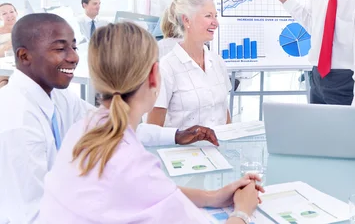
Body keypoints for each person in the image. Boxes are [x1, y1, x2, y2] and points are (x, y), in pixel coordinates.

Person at [0, 13, 218, 224]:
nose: (73, 57)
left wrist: (176, 135)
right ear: (24, 56)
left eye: (74, 47)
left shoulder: (58, 98)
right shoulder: (17, 123)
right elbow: (30, 218)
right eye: (60, 48)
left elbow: (114, 123)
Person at [38, 22, 262, 223]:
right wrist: (242, 212)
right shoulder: (131, 163)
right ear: (155, 75)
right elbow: (143, 183)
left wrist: (212, 196)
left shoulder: (85, 128)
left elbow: (151, 190)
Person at [148, 0, 232, 129]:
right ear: (187, 20)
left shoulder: (217, 62)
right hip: (183, 150)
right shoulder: (166, 67)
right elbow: (153, 129)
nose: (215, 23)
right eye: (208, 16)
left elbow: (224, 112)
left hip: (218, 147)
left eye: (215, 16)